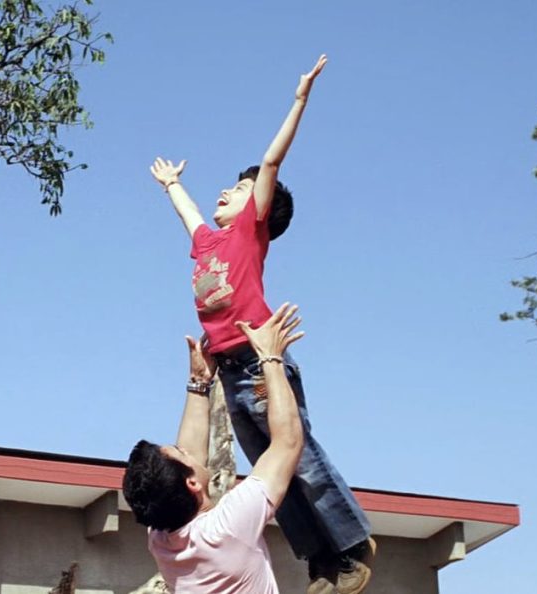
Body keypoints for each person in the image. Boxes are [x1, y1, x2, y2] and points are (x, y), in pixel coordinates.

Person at [147, 55, 375, 594]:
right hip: (229, 370)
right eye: (227, 187)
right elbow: (188, 213)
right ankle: (320, 559)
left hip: (260, 361)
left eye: (239, 188)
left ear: (260, 210)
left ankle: (351, 545)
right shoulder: (208, 243)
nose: (227, 191)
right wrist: (171, 184)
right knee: (268, 475)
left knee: (301, 459)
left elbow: (270, 164)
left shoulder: (250, 234)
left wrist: (298, 101)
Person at [124, 304, 307, 593]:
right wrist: (270, 357)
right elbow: (288, 442)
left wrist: (199, 382)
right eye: (181, 452)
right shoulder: (228, 528)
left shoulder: (162, 539)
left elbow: (189, 459)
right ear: (192, 483)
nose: (186, 449)